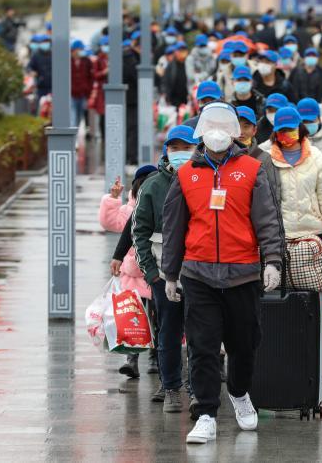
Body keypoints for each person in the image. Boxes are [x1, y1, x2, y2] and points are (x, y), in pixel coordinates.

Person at [161, 103, 283, 444]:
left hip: (242, 273)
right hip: (198, 274)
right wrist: (170, 274)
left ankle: (240, 393)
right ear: (201, 130)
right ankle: (206, 414)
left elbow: (268, 218)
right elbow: (173, 227)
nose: (216, 132)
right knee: (202, 347)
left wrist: (272, 260)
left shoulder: (252, 168)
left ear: (234, 131)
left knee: (244, 345)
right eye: (209, 125)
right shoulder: (186, 175)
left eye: (222, 125)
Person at [132, 125, 198, 410]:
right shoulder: (152, 185)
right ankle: (170, 386)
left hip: (199, 272)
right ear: (166, 151)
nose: (181, 153)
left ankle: (196, 389)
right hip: (162, 274)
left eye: (187, 147)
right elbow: (139, 231)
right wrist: (151, 273)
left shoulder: (204, 179)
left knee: (199, 335)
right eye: (175, 148)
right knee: (168, 333)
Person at [100, 166, 157, 377]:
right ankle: (131, 358)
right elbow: (109, 222)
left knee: (157, 319)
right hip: (133, 276)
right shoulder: (128, 210)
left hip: (155, 274)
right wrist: (113, 199)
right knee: (132, 318)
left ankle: (155, 359)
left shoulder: (161, 206)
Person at [268, 106, 322, 245]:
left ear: (300, 128)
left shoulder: (316, 156)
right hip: (278, 233)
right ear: (275, 132)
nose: (286, 133)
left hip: (312, 232)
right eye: (282, 130)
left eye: (291, 129)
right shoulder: (267, 159)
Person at [235, 105, 281, 198]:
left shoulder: (264, 158)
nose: (241, 132)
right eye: (236, 126)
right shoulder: (222, 157)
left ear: (254, 130)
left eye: (246, 126)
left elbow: (273, 193)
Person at [123, 32, 142, 164]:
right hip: (131, 99)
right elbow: (135, 76)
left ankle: (129, 155)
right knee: (132, 127)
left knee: (130, 127)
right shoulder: (130, 57)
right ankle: (131, 156)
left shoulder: (130, 56)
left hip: (130, 98)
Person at [70, 40, 93, 129]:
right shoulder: (67, 61)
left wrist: (88, 90)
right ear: (74, 50)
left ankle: (76, 133)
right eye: (80, 49)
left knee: (80, 116)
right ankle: (72, 139)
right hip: (71, 94)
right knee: (73, 117)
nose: (81, 51)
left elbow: (91, 77)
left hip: (83, 94)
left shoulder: (86, 61)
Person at [26, 34, 53, 113]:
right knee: (40, 107)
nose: (46, 44)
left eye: (47, 42)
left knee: (51, 108)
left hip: (53, 86)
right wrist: (32, 72)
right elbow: (29, 67)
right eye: (44, 42)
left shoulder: (54, 54)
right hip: (40, 86)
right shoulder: (36, 55)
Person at [89, 36, 109, 139]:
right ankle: (104, 136)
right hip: (102, 91)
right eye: (105, 45)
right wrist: (104, 72)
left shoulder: (115, 58)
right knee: (103, 114)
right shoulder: (98, 60)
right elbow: (95, 75)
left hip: (112, 91)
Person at [162, 42, 190, 108]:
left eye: (184, 50)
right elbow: (165, 81)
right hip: (174, 99)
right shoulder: (171, 65)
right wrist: (166, 95)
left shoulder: (189, 64)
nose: (182, 52)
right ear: (175, 52)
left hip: (187, 98)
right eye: (180, 50)